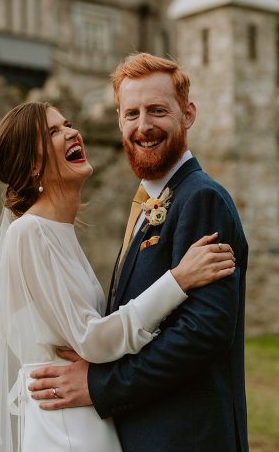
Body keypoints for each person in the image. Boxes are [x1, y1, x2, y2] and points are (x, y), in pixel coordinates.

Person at [0, 100, 236, 452]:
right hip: (66, 429)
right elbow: (92, 339)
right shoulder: (30, 233)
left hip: (85, 418)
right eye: (53, 132)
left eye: (67, 123)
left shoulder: (57, 232)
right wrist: (178, 280)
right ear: (32, 167)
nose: (72, 132)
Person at [29, 54, 249, 452]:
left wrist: (99, 385)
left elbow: (204, 333)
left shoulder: (202, 199)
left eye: (158, 111)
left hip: (186, 438)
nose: (143, 126)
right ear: (118, 120)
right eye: (132, 113)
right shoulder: (150, 204)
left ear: (188, 114)